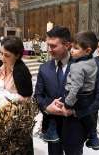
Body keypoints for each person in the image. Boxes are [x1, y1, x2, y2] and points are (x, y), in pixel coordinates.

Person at [0, 36, 33, 154]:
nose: (2, 58)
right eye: (1, 53)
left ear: (17, 55)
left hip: (14, 118)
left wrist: (0, 96)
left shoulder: (21, 71)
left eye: (7, 55)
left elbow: (26, 99)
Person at [35, 26, 80, 155]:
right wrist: (47, 107)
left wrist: (73, 110)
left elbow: (90, 96)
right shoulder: (44, 68)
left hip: (74, 125)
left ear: (67, 45)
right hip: (52, 124)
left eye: (53, 46)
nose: (49, 50)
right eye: (48, 45)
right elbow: (38, 95)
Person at [62, 31, 99, 150]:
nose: (71, 50)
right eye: (72, 47)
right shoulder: (92, 61)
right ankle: (93, 137)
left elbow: (75, 88)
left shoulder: (77, 66)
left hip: (77, 96)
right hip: (88, 95)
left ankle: (93, 137)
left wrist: (67, 104)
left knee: (79, 114)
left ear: (88, 51)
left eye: (76, 48)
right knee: (87, 116)